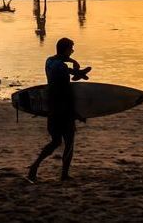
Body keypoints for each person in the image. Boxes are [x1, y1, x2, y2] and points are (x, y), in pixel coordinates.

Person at [27, 37, 91, 183]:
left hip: (52, 107)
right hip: (63, 109)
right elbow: (66, 93)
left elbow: (61, 65)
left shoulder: (49, 62)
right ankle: (64, 175)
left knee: (55, 141)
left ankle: (34, 166)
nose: (72, 51)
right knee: (69, 142)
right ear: (66, 49)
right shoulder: (62, 68)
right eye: (71, 49)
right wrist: (76, 113)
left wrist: (73, 63)